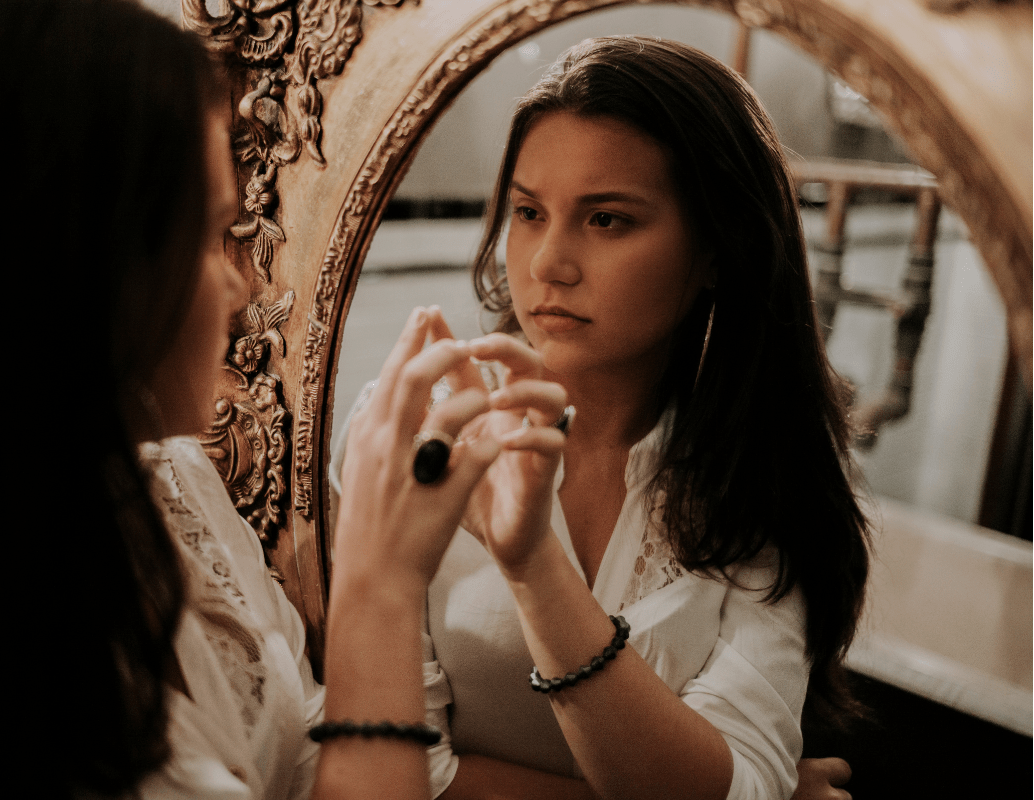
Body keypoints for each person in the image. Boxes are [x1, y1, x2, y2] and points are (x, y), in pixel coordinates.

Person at [0, 1, 536, 797]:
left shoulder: (170, 484)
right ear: (71, 272)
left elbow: (305, 750)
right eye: (210, 236)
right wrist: (379, 583)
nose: (240, 286)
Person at [330, 36, 869, 800]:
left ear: (719, 250)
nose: (548, 262)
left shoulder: (757, 468)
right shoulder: (419, 430)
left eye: (607, 219)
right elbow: (389, 762)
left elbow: (745, 774)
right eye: (527, 211)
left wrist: (533, 567)